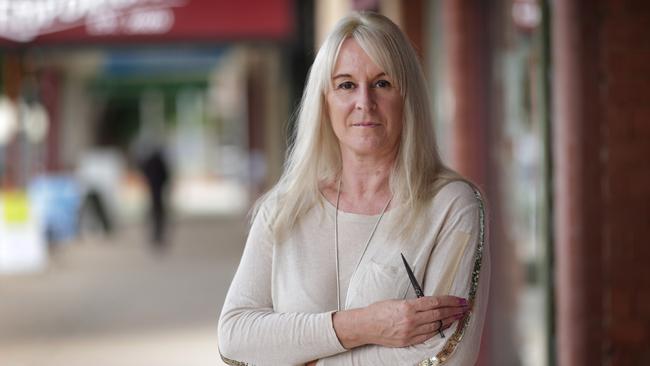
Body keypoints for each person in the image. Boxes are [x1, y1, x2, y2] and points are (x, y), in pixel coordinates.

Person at [218, 11, 489, 366]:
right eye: (346, 84)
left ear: (408, 97)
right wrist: (363, 325)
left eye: (382, 83)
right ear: (324, 100)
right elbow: (234, 337)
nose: (365, 102)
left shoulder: (450, 207)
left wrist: (295, 355)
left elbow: (441, 358)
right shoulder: (284, 209)